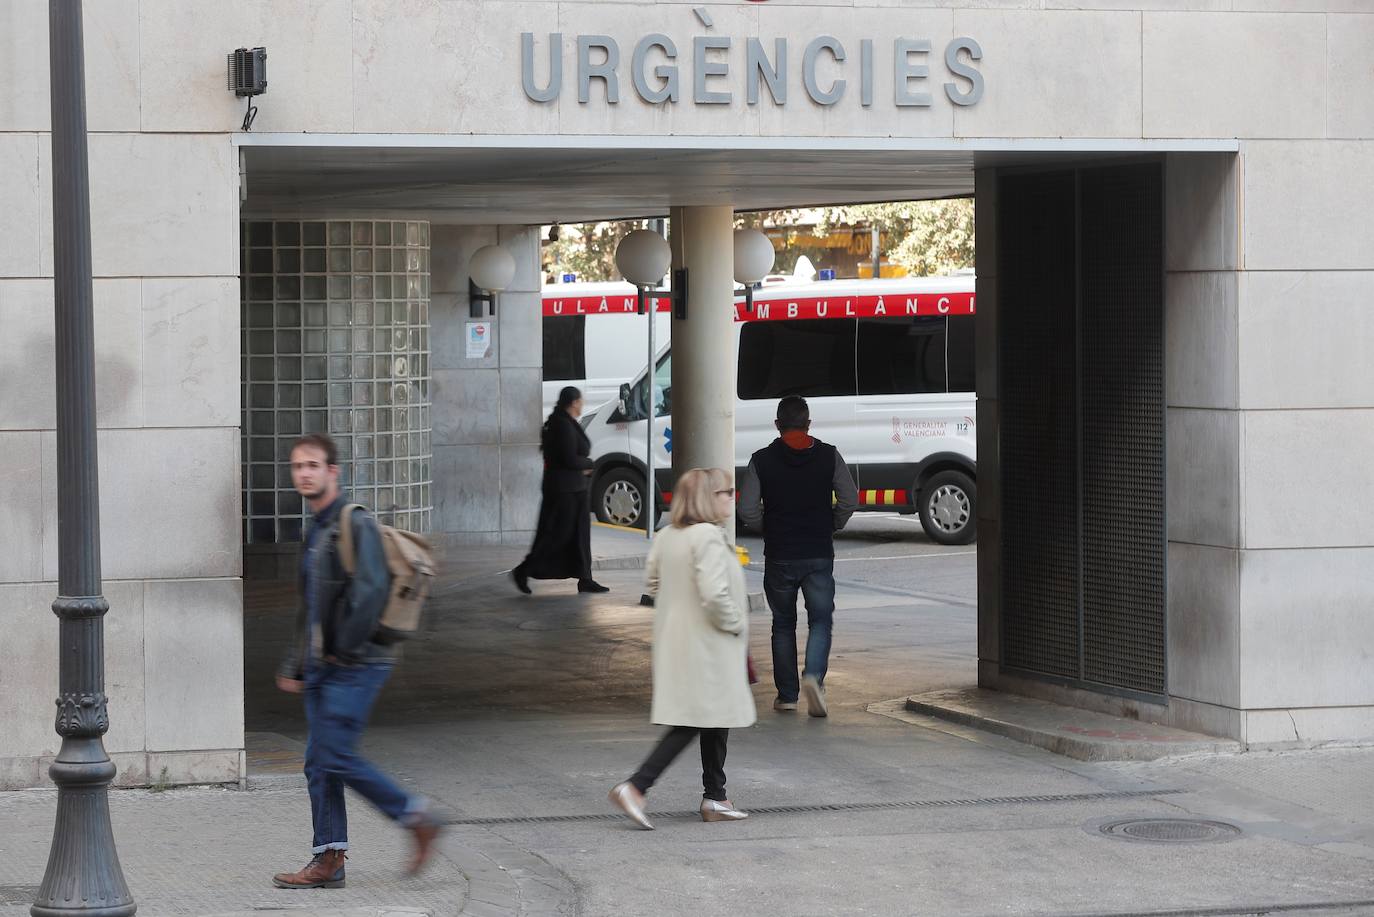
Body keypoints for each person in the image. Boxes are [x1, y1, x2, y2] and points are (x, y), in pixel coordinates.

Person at [272, 433, 442, 889]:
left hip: (359, 662)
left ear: (333, 472)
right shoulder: (314, 531)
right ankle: (329, 858)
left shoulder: (354, 522)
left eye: (313, 465)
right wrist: (296, 663)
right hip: (326, 664)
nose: (304, 473)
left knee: (334, 755)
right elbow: (310, 606)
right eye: (297, 466)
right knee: (319, 761)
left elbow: (369, 593)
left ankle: (416, 816)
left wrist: (339, 653)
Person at [608, 468, 756, 829]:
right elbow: (714, 592)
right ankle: (637, 786)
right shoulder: (706, 536)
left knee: (712, 716)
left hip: (680, 639)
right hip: (709, 641)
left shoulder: (667, 536)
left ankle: (716, 797)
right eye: (724, 492)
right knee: (694, 719)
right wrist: (735, 622)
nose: (730, 498)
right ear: (707, 497)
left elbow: (653, 583)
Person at [738, 396, 859, 718]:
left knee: (783, 624)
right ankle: (814, 679)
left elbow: (747, 509)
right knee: (820, 620)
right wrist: (831, 524)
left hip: (780, 555)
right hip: (818, 552)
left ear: (777, 425)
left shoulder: (760, 460)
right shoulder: (829, 456)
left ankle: (787, 696)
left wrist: (770, 527)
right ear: (808, 424)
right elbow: (849, 499)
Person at [512, 386, 609, 595]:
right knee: (557, 535)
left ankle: (585, 578)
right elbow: (568, 458)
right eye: (580, 400)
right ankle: (524, 570)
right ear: (573, 402)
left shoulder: (565, 421)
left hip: (574, 489)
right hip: (564, 491)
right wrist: (589, 462)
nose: (582, 403)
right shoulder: (561, 425)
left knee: (580, 536)